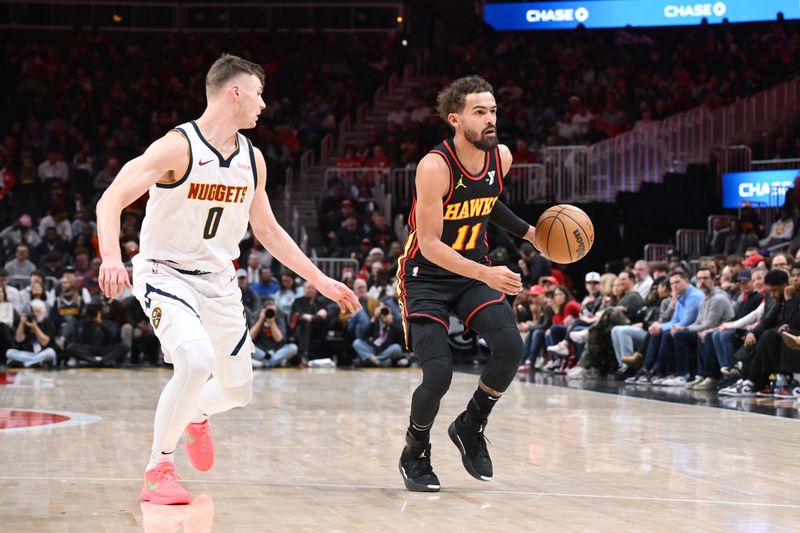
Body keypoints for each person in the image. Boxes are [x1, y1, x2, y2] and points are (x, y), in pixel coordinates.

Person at [96, 54, 359, 505]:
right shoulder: (177, 146)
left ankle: (196, 411)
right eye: (259, 94)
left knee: (238, 391)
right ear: (234, 91)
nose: (263, 104)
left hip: (219, 282)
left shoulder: (252, 160)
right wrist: (111, 258)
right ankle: (158, 469)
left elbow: (270, 230)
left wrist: (321, 279)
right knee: (195, 362)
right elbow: (111, 199)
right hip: (165, 272)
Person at [396, 76, 537, 492]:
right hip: (427, 276)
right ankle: (415, 450)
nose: (491, 118)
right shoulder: (435, 167)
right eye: (480, 112)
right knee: (438, 374)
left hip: (472, 269)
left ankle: (471, 425)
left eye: (493, 110)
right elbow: (432, 245)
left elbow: (487, 203)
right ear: (455, 119)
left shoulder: (502, 157)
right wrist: (487, 273)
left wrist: (531, 233)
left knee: (511, 347)